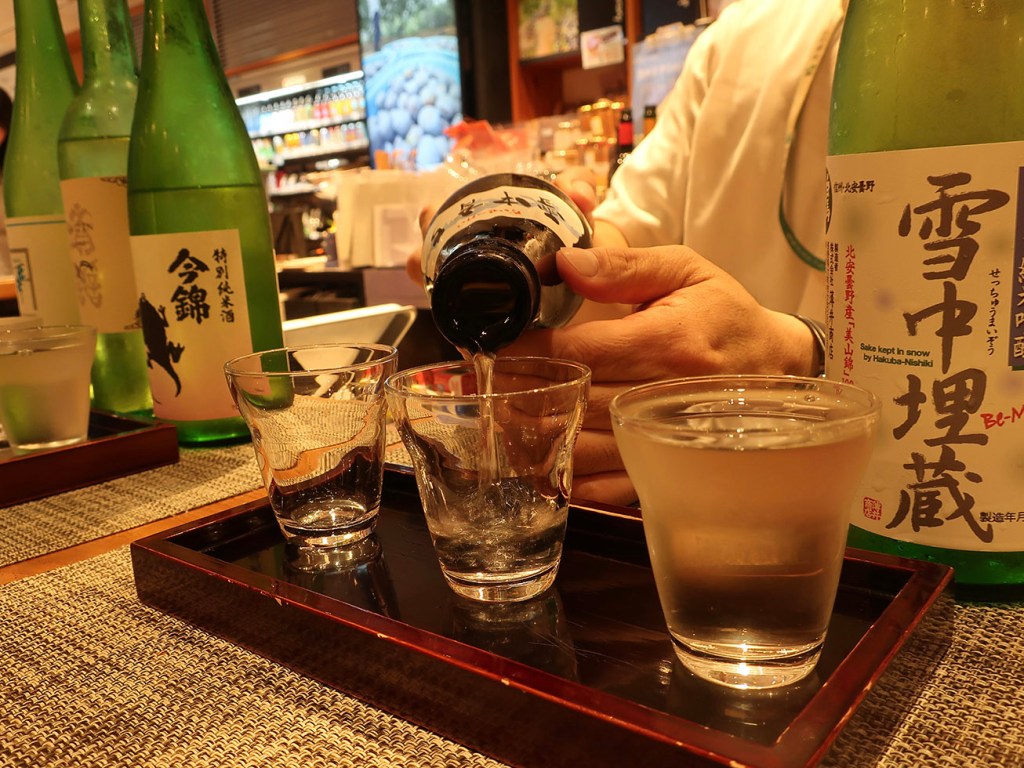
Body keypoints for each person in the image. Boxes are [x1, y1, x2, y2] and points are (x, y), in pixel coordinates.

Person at [412, 0, 846, 505]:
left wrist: (802, 358)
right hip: (692, 502)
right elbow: (626, 233)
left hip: (875, 496)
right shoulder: (745, 36)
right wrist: (555, 248)